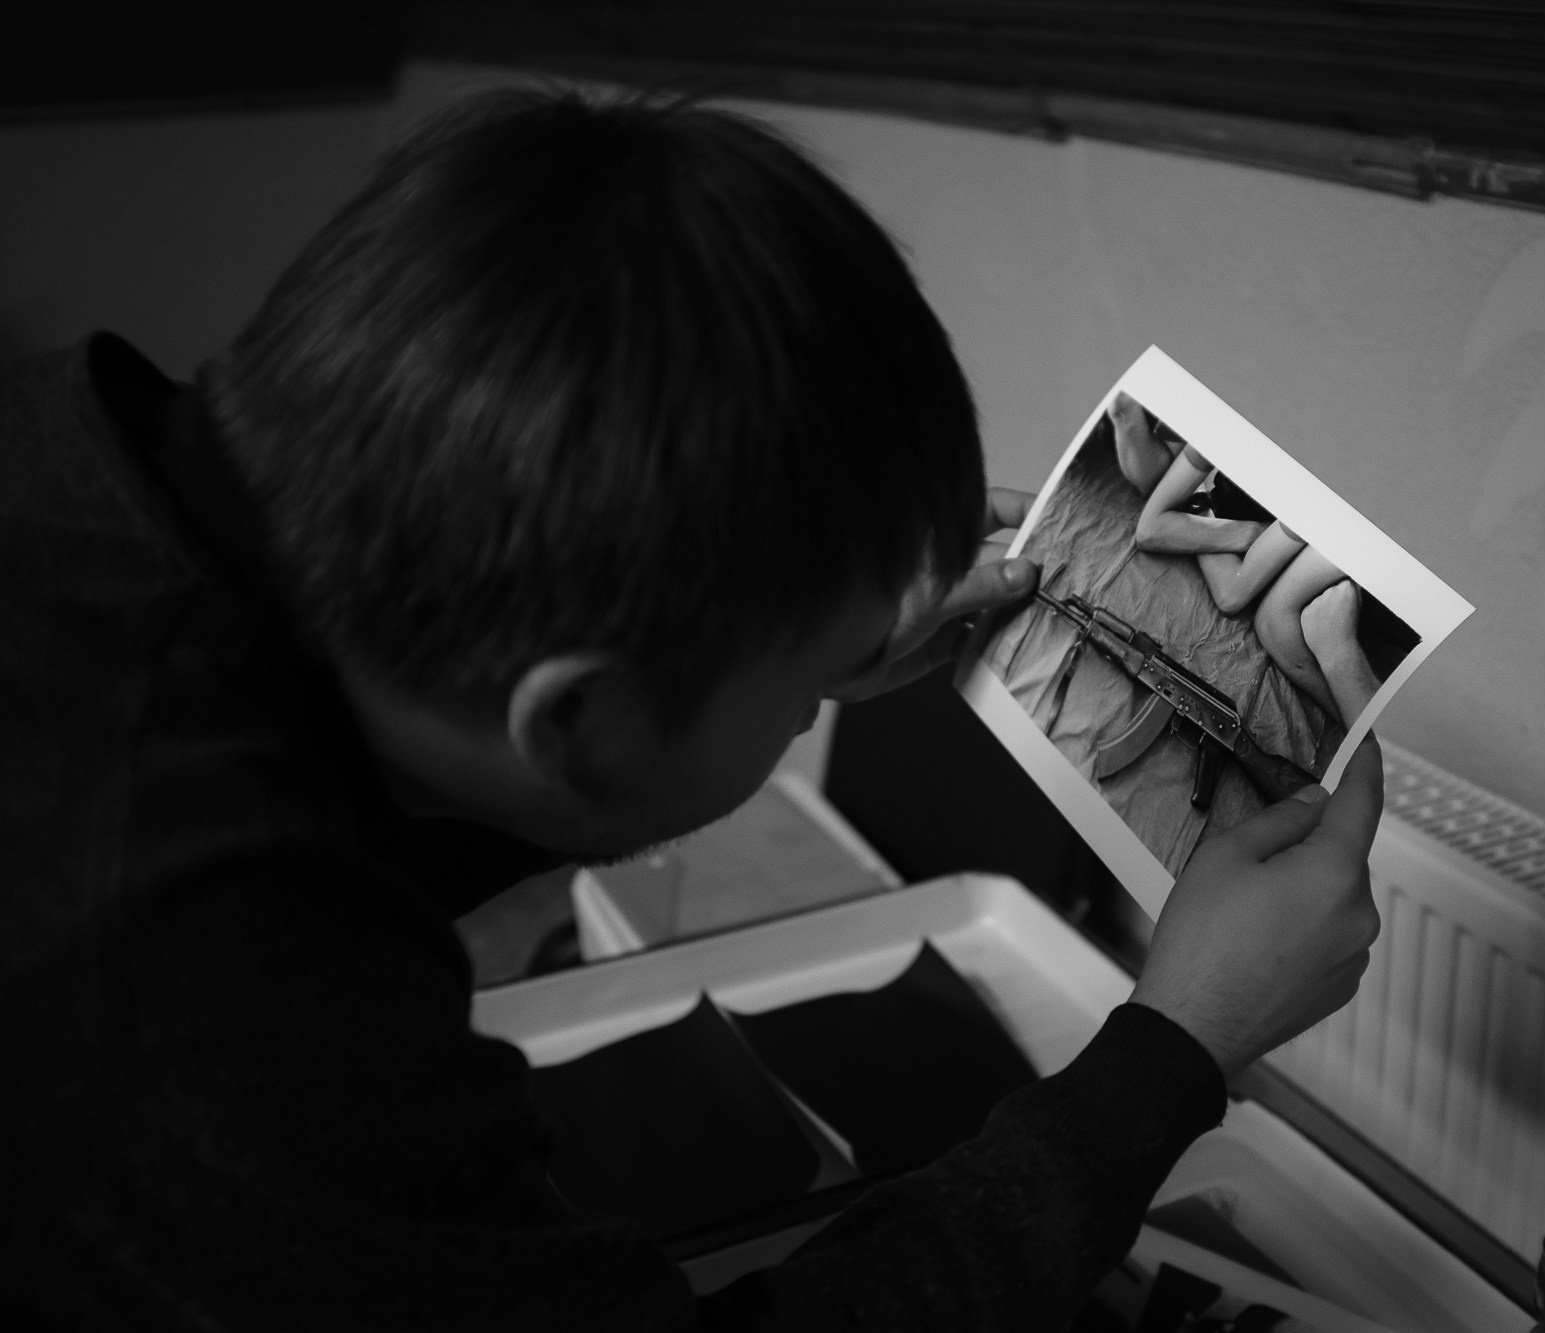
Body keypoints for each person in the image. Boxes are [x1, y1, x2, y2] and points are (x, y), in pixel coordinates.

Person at [0, 87, 1384, 1331]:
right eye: (796, 686)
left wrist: (796, 646)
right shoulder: (219, 1016)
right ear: (577, 720)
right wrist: (1173, 1048)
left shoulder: (81, 486)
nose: (815, 705)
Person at [1113, 392, 1381, 731]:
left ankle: (1366, 735)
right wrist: (1242, 531)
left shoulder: (1304, 489)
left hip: (1334, 535)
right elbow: (1149, 531)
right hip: (1272, 529)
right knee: (1287, 625)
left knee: (1309, 623)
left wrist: (1191, 520)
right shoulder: (1223, 429)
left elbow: (1230, 594)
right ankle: (1363, 734)